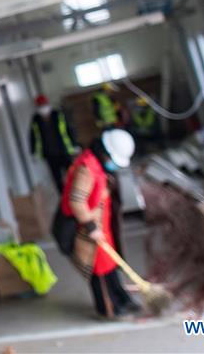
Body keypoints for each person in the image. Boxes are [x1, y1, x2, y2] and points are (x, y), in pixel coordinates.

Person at [61, 128, 139, 319]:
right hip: (87, 227)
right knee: (99, 268)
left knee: (110, 263)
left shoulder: (97, 163)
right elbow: (76, 201)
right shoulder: (86, 168)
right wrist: (91, 227)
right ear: (106, 152)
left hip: (101, 222)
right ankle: (108, 307)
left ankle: (121, 297)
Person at [27, 94, 78, 192]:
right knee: (57, 178)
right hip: (49, 153)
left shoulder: (58, 115)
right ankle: (63, 197)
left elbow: (68, 129)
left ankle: (76, 192)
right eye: (40, 106)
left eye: (44, 105)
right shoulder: (36, 120)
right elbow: (33, 136)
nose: (43, 108)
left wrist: (74, 144)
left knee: (71, 173)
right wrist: (33, 152)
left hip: (63, 150)